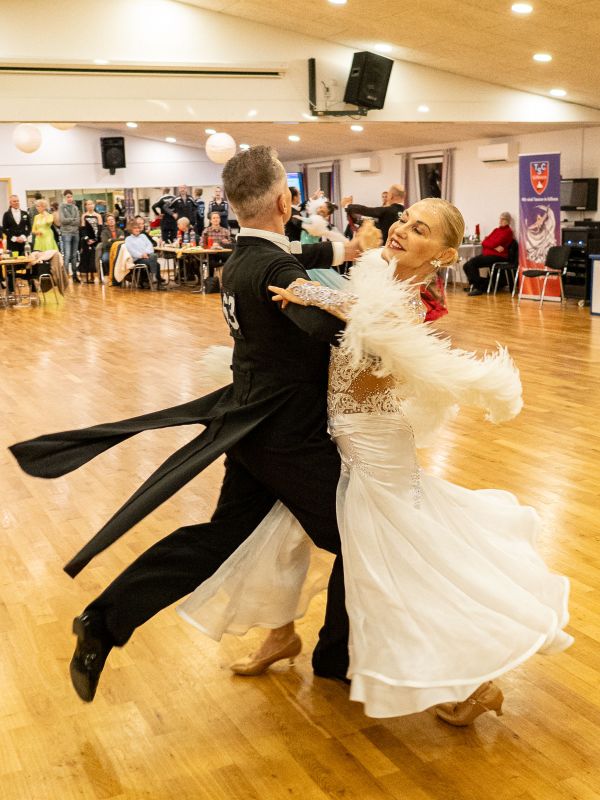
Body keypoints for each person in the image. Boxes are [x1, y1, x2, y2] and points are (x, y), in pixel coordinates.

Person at [179, 198, 572, 724]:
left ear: (444, 255)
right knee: (282, 528)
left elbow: (366, 318)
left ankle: (472, 682)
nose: (402, 230)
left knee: (396, 561)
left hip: (374, 445)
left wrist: (307, 291)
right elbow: (345, 309)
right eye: (404, 220)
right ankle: (281, 634)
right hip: (334, 432)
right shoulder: (374, 278)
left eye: (420, 230)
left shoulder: (407, 303)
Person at [9, 145, 363, 703]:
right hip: (288, 438)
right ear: (284, 201)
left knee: (215, 540)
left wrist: (345, 249)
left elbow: (294, 255)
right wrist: (364, 310)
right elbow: (325, 327)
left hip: (249, 428)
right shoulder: (277, 270)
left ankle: (104, 620)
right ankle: (337, 657)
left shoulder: (241, 260)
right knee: (363, 538)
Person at [464, 212, 514, 296]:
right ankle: (481, 285)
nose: (500, 221)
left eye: (503, 219)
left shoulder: (508, 232)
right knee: (466, 265)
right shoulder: (496, 230)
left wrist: (491, 244)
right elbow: (484, 242)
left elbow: (493, 242)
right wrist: (494, 247)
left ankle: (478, 288)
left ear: (508, 221)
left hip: (499, 256)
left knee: (471, 264)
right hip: (488, 254)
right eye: (500, 219)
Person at [124, 218, 164, 287]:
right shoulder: (128, 239)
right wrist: (141, 255)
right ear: (131, 229)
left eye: (138, 228)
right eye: (135, 228)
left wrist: (146, 253)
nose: (137, 230)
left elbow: (150, 245)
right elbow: (131, 251)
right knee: (156, 263)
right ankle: (158, 282)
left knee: (154, 260)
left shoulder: (143, 236)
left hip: (147, 256)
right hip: (137, 259)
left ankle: (154, 278)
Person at [58, 190, 81, 282]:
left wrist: (70, 221)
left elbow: (78, 221)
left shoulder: (75, 207)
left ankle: (75, 275)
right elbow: (62, 220)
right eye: (67, 197)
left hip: (75, 233)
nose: (69, 198)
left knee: (74, 255)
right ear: (64, 198)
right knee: (67, 255)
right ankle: (65, 277)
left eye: (71, 196)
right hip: (66, 233)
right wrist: (73, 220)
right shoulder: (61, 207)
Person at [79, 200, 102, 283]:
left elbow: (100, 228)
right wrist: (87, 239)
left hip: (95, 238)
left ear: (94, 205)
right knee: (86, 254)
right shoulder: (84, 216)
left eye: (91, 204)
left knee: (93, 254)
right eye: (88, 204)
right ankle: (86, 274)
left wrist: (95, 239)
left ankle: (93, 275)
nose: (90, 206)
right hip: (87, 238)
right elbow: (83, 229)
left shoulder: (98, 216)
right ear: (86, 206)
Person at [99, 212, 124, 280]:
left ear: (115, 221)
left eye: (112, 219)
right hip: (108, 251)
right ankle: (109, 275)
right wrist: (117, 240)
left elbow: (123, 241)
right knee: (105, 259)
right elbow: (105, 244)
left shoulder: (120, 231)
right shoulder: (104, 232)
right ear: (106, 223)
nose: (111, 221)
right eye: (109, 220)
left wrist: (111, 240)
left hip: (119, 251)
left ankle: (120, 276)